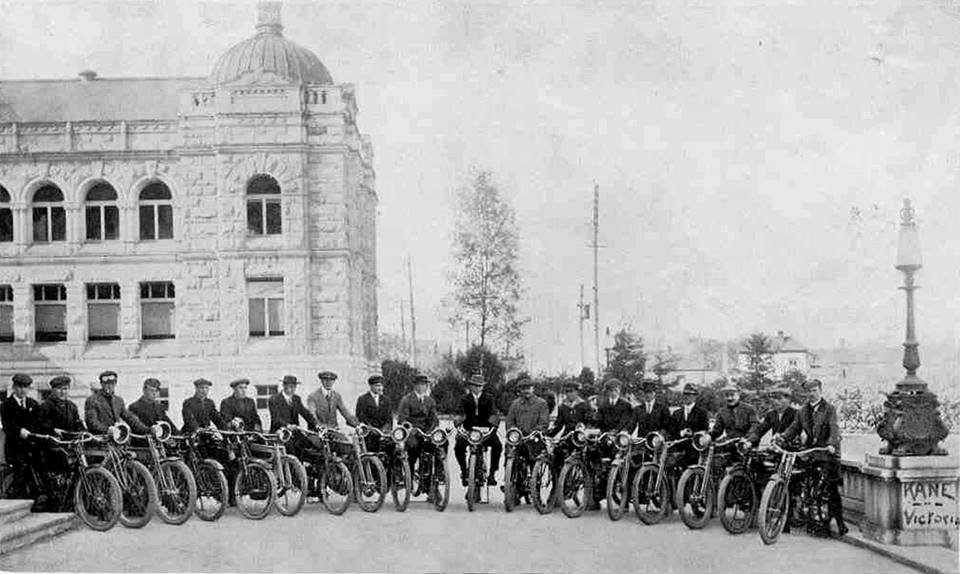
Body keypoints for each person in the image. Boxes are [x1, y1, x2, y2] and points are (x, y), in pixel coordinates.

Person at [777, 378, 847, 536]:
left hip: (828, 453)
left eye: (814, 390)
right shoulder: (803, 411)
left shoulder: (829, 409)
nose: (811, 394)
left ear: (820, 391)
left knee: (831, 488)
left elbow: (834, 429)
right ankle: (797, 519)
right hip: (811, 453)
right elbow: (794, 428)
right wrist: (782, 438)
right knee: (794, 480)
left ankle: (840, 523)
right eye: (808, 391)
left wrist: (831, 445)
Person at [454, 374, 502, 487]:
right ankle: (464, 471)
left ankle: (492, 473)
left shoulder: (489, 398)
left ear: (483, 387)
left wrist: (493, 426)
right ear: (471, 386)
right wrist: (458, 423)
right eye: (475, 385)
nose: (477, 388)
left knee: (497, 445)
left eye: (479, 386)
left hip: (485, 429)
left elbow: (494, 413)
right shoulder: (464, 399)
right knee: (458, 446)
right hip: (469, 430)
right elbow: (460, 413)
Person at [397, 373, 440, 487]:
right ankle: (409, 476)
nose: (422, 387)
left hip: (425, 432)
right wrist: (410, 428)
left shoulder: (430, 401)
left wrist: (430, 431)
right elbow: (402, 419)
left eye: (424, 385)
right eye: (419, 384)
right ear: (415, 386)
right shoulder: (407, 400)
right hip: (412, 433)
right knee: (413, 448)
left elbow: (434, 419)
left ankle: (435, 477)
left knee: (439, 445)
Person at [1, 374, 40, 497]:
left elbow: (39, 422)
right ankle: (16, 498)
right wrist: (20, 431)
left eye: (26, 387)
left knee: (37, 475)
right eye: (20, 387)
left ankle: (36, 501)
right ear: (14, 387)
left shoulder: (32, 404)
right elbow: (8, 426)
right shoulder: (6, 405)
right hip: (15, 449)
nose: (23, 390)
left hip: (32, 447)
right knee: (20, 476)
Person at [306, 371, 358, 458]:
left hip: (333, 431)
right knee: (325, 456)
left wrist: (357, 425)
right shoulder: (313, 397)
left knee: (349, 447)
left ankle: (346, 470)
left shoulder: (336, 396)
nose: (328, 383)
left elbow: (345, 412)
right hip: (318, 433)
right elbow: (312, 414)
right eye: (326, 380)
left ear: (334, 382)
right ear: (321, 381)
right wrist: (318, 426)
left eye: (331, 380)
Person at [505, 376, 550, 475]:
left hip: (534, 437)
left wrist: (536, 431)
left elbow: (544, 422)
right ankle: (509, 479)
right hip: (519, 437)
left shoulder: (541, 403)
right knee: (509, 452)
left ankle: (534, 483)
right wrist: (513, 431)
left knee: (534, 459)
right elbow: (509, 421)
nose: (526, 391)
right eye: (523, 389)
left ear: (533, 388)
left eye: (528, 388)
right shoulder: (515, 404)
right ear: (520, 390)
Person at [267, 375, 320, 458]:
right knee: (292, 451)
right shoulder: (274, 400)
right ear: (284, 386)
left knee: (311, 446)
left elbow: (305, 413)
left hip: (295, 433)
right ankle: (293, 469)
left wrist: (316, 425)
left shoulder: (296, 399)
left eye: (294, 387)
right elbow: (276, 419)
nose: (292, 389)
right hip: (280, 434)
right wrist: (288, 425)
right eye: (289, 386)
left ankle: (307, 468)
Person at [84, 370, 148, 435]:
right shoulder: (92, 400)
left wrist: (146, 430)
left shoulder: (118, 400)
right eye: (106, 384)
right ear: (102, 384)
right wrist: (107, 430)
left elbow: (129, 418)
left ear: (115, 384)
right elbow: (91, 422)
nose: (109, 386)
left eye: (112, 383)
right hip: (100, 438)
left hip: (116, 438)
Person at [671, 383, 710, 469]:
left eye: (690, 394)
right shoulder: (676, 413)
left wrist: (693, 434)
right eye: (685, 394)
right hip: (678, 447)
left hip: (694, 448)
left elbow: (705, 430)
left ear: (695, 396)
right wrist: (681, 433)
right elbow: (671, 430)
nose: (687, 397)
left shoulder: (702, 412)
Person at [355, 375, 393, 452]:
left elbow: (389, 418)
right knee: (371, 448)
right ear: (371, 386)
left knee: (393, 445)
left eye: (381, 386)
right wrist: (371, 428)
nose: (380, 388)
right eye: (377, 386)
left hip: (383, 432)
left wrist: (385, 429)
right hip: (369, 432)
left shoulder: (386, 400)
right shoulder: (363, 399)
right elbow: (361, 416)